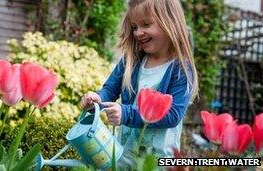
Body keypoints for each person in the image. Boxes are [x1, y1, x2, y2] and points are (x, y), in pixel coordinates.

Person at [81, 0, 198, 163]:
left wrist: (127, 114)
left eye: (145, 24)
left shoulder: (180, 70)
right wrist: (98, 99)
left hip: (156, 161)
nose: (138, 33)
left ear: (169, 22)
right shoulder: (131, 60)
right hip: (123, 155)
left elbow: (173, 115)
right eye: (134, 27)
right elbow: (110, 90)